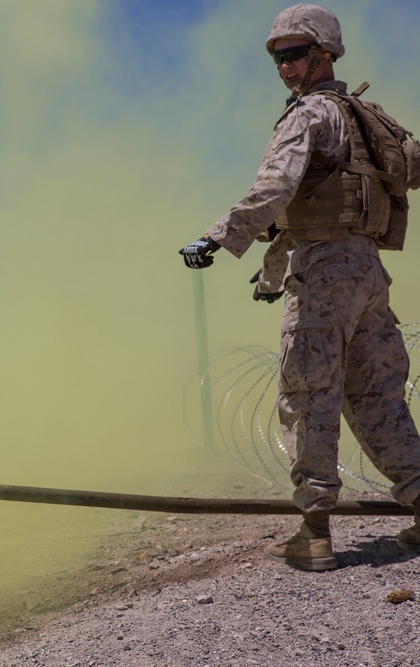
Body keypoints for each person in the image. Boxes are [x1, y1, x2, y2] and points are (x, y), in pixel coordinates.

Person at [178, 4, 420, 571]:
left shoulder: (308, 116)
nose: (284, 66)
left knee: (309, 392)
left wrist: (216, 238)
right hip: (367, 271)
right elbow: (316, 203)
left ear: (325, 53)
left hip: (326, 274)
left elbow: (275, 190)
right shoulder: (367, 118)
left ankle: (313, 532)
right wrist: (269, 274)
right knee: (377, 393)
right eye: (277, 56)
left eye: (294, 53)